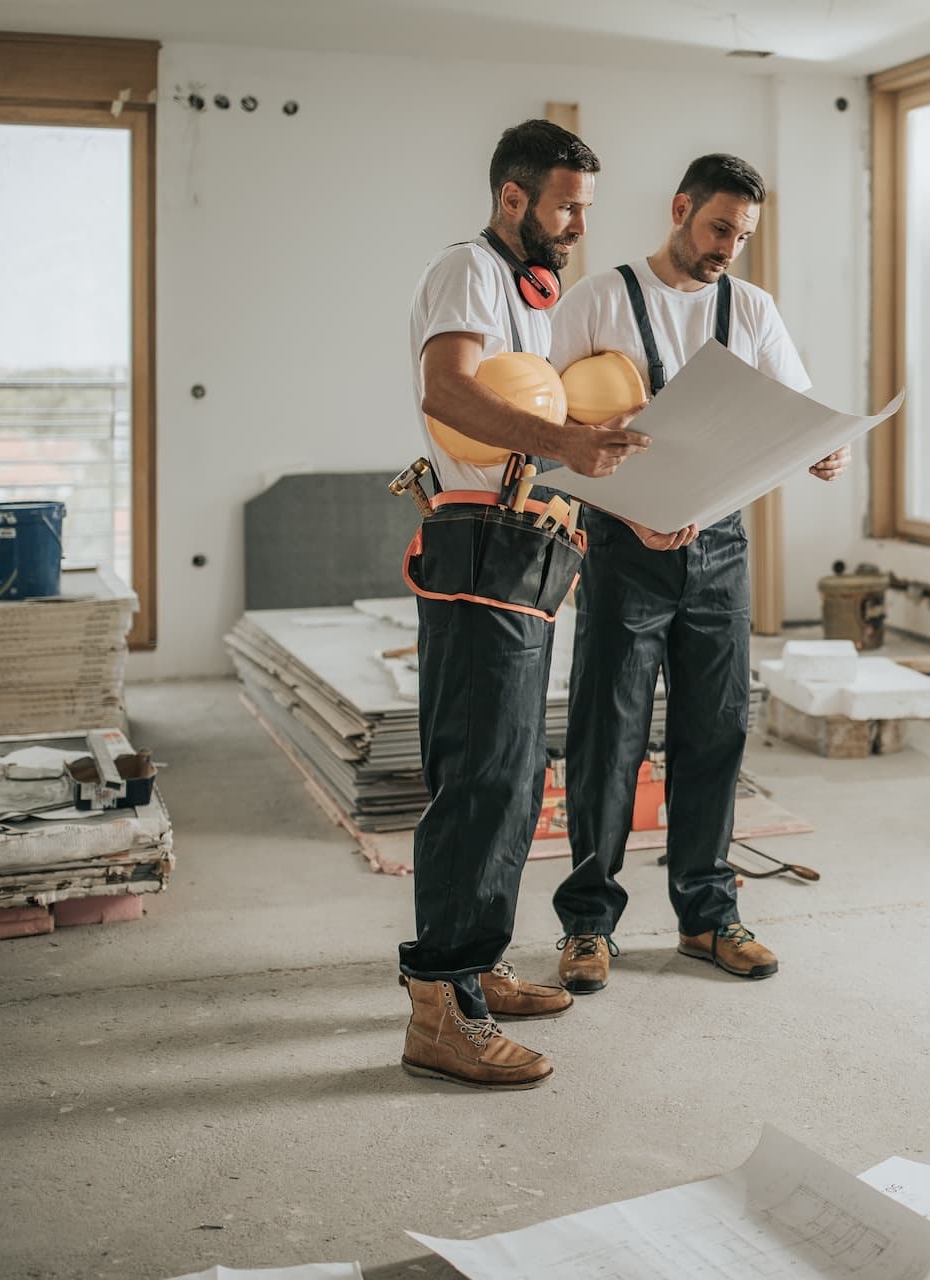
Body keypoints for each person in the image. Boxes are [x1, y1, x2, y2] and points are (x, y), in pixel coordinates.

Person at [547, 153, 849, 992]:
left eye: (743, 236)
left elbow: (796, 410)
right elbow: (547, 424)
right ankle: (587, 926)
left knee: (714, 733)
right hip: (621, 549)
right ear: (680, 208)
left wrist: (826, 449)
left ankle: (709, 917)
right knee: (608, 737)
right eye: (719, 228)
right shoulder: (598, 299)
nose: (728, 248)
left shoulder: (749, 307)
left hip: (720, 552)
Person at [396, 119, 650, 1090]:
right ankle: (440, 1007)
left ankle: (480, 963)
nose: (580, 225)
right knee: (479, 774)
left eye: (586, 206)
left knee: (514, 772)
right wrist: (570, 447)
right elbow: (450, 393)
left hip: (532, 539)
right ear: (515, 198)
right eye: (568, 206)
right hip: (478, 539)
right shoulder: (468, 268)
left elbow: (531, 407)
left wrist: (589, 441)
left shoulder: (530, 296)